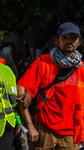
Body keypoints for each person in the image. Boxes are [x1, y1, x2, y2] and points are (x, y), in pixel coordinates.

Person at [17, 22, 84, 150]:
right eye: (65, 37)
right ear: (57, 41)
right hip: (44, 131)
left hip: (71, 134)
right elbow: (21, 88)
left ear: (79, 42)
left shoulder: (81, 68)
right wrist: (30, 126)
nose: (69, 41)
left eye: (73, 38)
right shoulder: (42, 62)